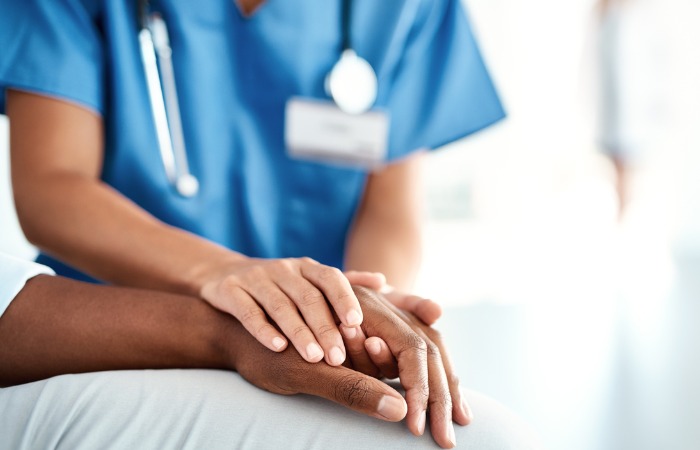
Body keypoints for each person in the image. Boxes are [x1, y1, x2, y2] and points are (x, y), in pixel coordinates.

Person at [0, 0, 504, 363]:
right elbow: (52, 188)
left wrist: (354, 318)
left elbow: (389, 209)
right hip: (110, 333)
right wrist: (226, 275)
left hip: (305, 346)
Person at [0, 253, 540, 449]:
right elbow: (54, 185)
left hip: (292, 319)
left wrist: (353, 313)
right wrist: (229, 325)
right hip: (100, 325)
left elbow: (391, 189)